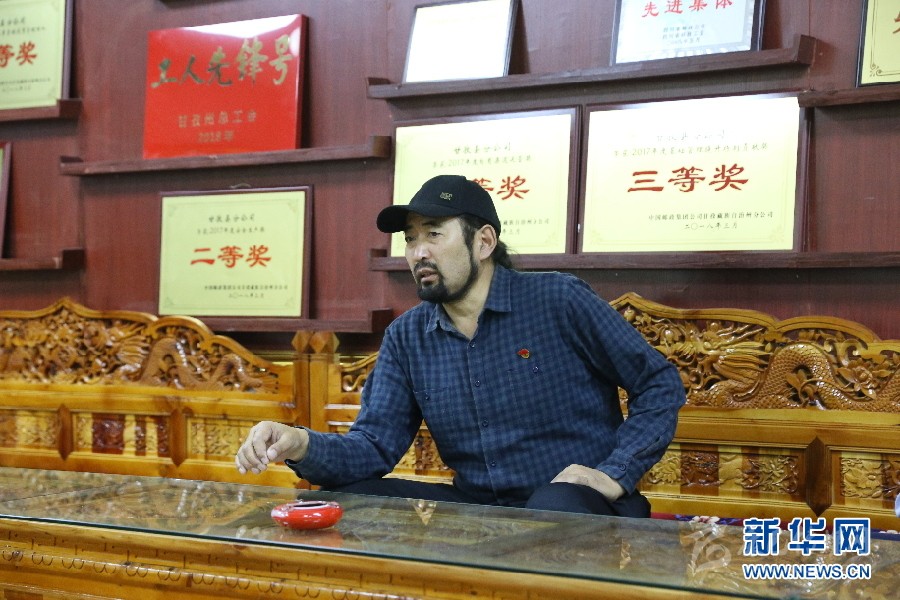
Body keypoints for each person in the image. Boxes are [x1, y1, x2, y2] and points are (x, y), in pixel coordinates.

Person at [235, 174, 686, 517]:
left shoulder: (558, 300)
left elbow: (659, 383)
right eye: (410, 239)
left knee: (555, 506)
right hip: (479, 511)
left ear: (483, 241)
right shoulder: (407, 337)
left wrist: (614, 473)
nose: (418, 252)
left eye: (433, 234)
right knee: (347, 501)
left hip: (578, 506)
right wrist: (299, 443)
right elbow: (373, 447)